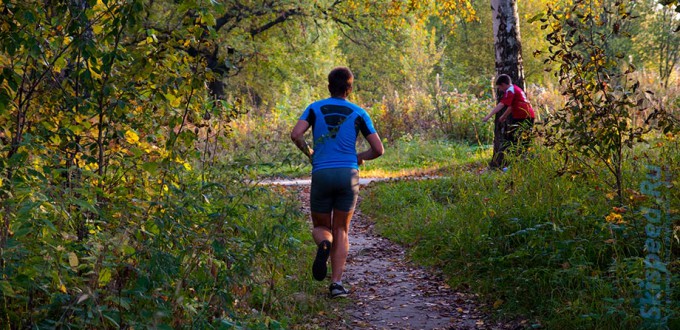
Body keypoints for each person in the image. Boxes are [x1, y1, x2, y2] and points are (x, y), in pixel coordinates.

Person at [290, 67, 384, 298]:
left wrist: (310, 153)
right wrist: (359, 156)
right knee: (341, 228)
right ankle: (336, 284)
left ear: (329, 86)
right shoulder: (359, 112)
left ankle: (324, 244)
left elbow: (295, 134)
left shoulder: (314, 108)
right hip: (348, 174)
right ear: (349, 88)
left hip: (322, 172)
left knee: (322, 228)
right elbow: (378, 150)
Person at [482, 74, 535, 161]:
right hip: (528, 116)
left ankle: (519, 161)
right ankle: (522, 161)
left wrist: (488, 116)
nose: (500, 90)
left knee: (515, 140)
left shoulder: (510, 91)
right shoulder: (515, 88)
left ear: (503, 84)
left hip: (523, 117)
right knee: (521, 140)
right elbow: (511, 106)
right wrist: (503, 116)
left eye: (499, 87)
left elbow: (501, 105)